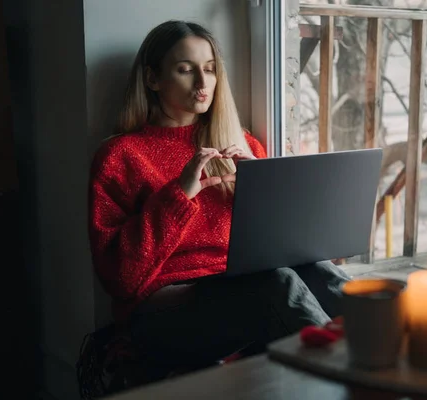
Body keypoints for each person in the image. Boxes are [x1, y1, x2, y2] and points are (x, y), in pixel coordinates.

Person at [88, 20, 350, 376]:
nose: (202, 83)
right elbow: (120, 279)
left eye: (210, 70)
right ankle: (353, 380)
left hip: (238, 284)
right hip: (165, 308)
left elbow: (278, 246)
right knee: (275, 285)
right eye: (185, 70)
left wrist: (266, 191)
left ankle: (396, 359)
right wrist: (180, 194)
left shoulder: (239, 144)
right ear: (152, 79)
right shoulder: (121, 155)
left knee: (319, 270)